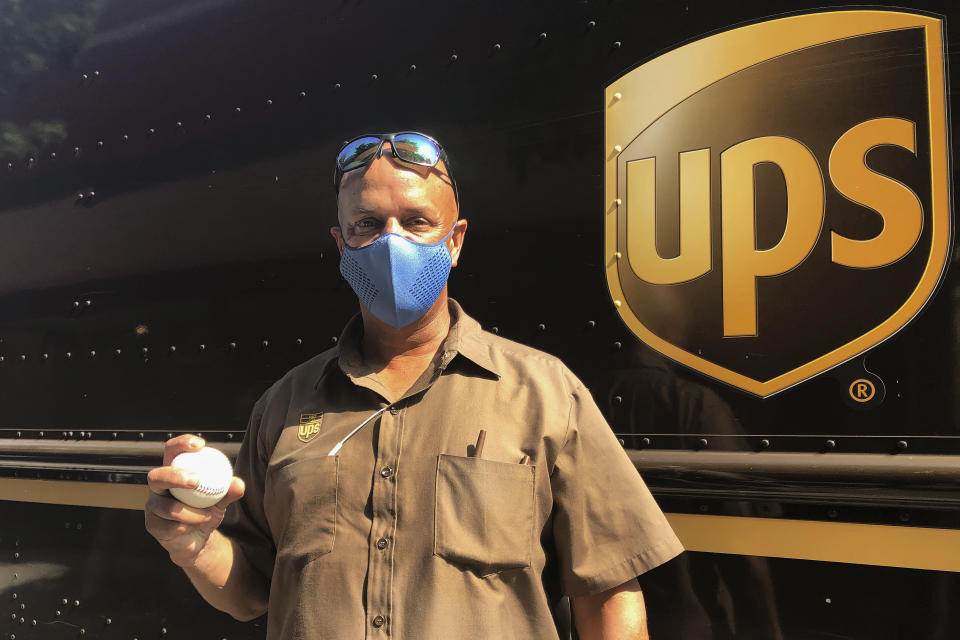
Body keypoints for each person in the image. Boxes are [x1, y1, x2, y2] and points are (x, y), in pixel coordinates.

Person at [144, 131, 683, 639]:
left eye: (416, 220)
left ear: (455, 240)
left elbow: (609, 596)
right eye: (367, 224)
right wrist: (193, 544)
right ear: (341, 245)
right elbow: (250, 593)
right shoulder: (284, 404)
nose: (390, 242)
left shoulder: (545, 393)